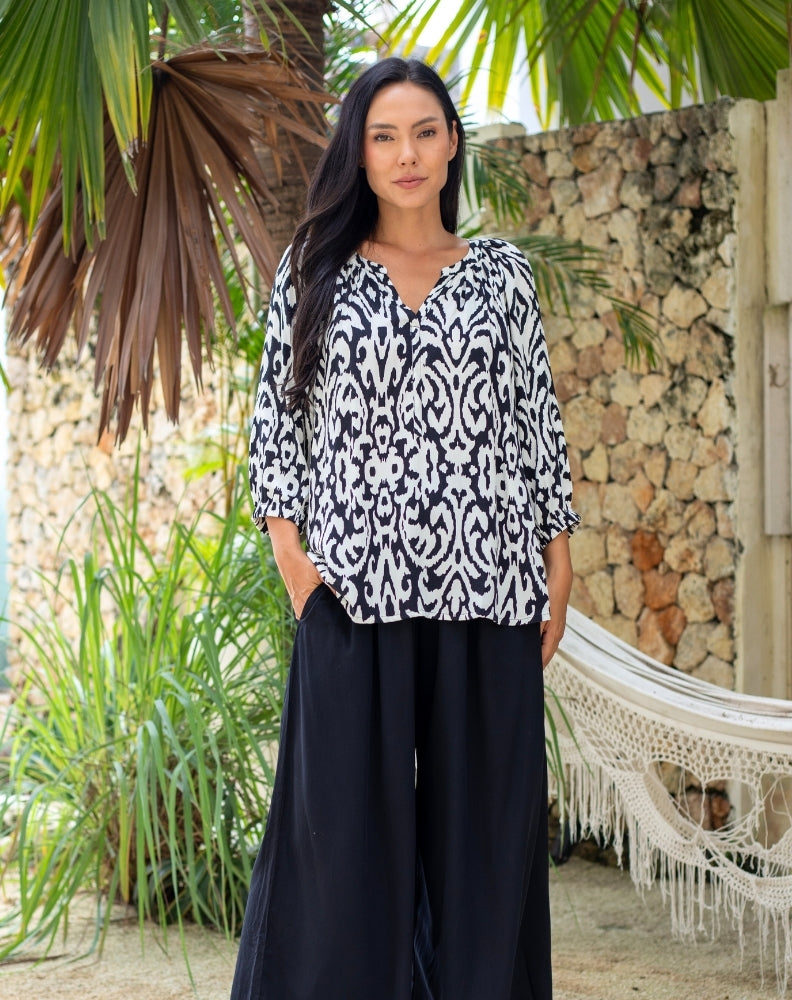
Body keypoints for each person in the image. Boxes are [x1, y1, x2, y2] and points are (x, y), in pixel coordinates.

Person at [231, 57, 579, 1000]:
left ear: (452, 142)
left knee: (485, 851)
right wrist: (300, 575)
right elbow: (275, 437)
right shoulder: (313, 272)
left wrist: (557, 558)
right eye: (383, 136)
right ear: (359, 151)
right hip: (352, 599)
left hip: (491, 592)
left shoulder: (503, 277)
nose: (406, 154)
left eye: (424, 131)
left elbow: (535, 424)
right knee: (340, 852)